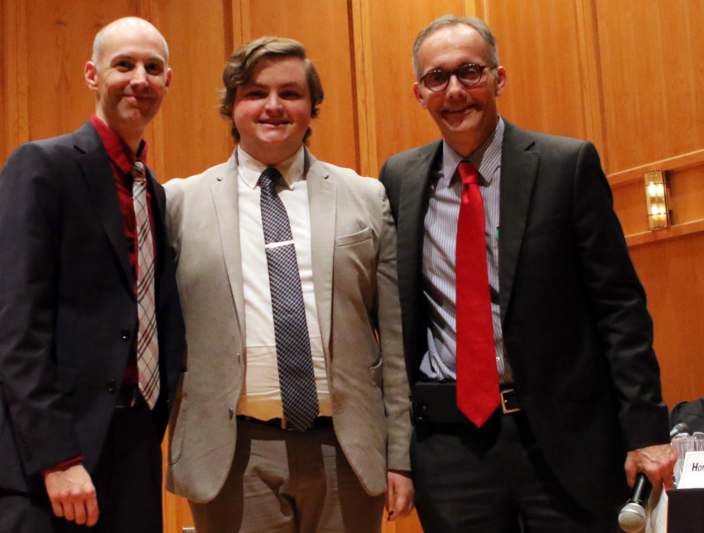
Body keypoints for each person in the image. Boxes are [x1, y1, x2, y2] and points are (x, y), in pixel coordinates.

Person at [379, 15, 676, 533]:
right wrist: (397, 450)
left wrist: (646, 429)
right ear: (418, 92)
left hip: (564, 440)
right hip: (450, 447)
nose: (454, 91)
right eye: (436, 78)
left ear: (498, 78)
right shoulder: (398, 179)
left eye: (470, 72)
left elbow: (619, 309)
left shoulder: (567, 165)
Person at [164, 36, 413, 533]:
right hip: (231, 454)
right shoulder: (179, 203)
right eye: (255, 93)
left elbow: (397, 337)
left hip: (347, 450)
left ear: (311, 107)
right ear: (232, 106)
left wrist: (401, 455)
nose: (273, 106)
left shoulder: (365, 197)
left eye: (290, 93)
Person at [0, 16, 185, 532]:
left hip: (131, 448)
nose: (140, 78)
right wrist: (58, 458)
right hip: (44, 460)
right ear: (92, 75)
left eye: (152, 68)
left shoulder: (152, 191)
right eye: (124, 65)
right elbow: (17, 328)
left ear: (168, 81)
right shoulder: (41, 167)